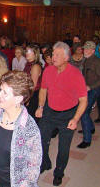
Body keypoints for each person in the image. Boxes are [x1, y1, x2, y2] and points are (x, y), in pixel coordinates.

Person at [35, 41, 87, 186]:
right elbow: (43, 89)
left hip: (68, 114)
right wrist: (40, 106)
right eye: (53, 54)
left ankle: (59, 173)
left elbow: (83, 100)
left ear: (66, 58)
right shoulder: (48, 70)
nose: (53, 57)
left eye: (57, 54)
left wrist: (76, 119)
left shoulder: (75, 74)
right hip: (50, 112)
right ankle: (45, 163)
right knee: (41, 141)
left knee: (63, 147)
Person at [77, 41, 100, 149]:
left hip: (94, 89)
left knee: (84, 112)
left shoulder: (96, 62)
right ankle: (90, 128)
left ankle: (87, 140)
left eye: (87, 49)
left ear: (93, 51)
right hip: (88, 89)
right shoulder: (87, 60)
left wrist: (90, 87)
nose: (84, 51)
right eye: (84, 49)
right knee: (86, 111)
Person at [24, 44, 42, 121]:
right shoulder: (28, 64)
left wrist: (28, 98)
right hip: (28, 92)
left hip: (34, 94)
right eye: (26, 51)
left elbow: (33, 85)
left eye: (29, 51)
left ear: (35, 54)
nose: (27, 53)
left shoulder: (35, 66)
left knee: (31, 118)